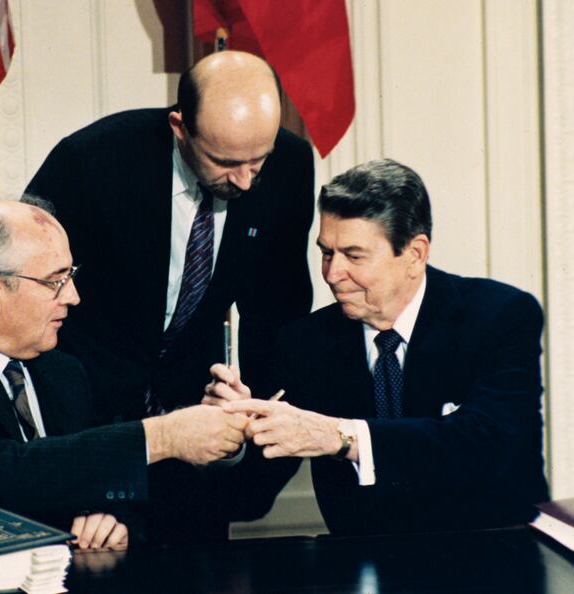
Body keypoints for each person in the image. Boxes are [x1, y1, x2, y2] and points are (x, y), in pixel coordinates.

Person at [23, 50, 313, 541]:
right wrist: (90, 486)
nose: (245, 181)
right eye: (224, 162)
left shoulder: (289, 163)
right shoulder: (91, 162)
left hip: (194, 441)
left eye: (256, 161)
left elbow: (279, 313)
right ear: (180, 127)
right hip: (89, 433)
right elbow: (31, 311)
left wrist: (249, 438)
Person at [0, 201, 249, 549]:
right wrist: (164, 434)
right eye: (56, 281)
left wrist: (108, 516)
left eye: (70, 276)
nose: (73, 296)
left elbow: (94, 471)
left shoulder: (61, 371)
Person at [210, 159, 550, 535]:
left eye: (354, 256)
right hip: (364, 571)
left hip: (492, 563)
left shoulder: (499, 316)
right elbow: (249, 498)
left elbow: (488, 446)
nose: (331, 274)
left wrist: (339, 437)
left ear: (415, 254)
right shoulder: (304, 343)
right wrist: (233, 435)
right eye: (326, 252)